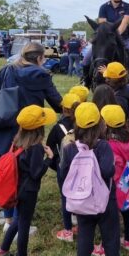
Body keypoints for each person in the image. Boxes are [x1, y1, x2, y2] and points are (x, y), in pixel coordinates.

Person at [0, 41, 62, 229]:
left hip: (2, 129)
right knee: (21, 179)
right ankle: (12, 222)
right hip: (28, 133)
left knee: (4, 172)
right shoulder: (42, 76)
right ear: (40, 58)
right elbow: (57, 104)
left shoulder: (6, 70)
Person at [0, 105, 55, 256]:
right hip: (28, 191)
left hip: (16, 188)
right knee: (24, 224)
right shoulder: (36, 148)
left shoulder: (17, 141)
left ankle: (2, 252)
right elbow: (36, 173)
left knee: (18, 220)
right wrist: (49, 158)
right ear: (39, 128)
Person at [60, 102, 120, 256]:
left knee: (84, 238)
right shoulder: (103, 147)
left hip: (82, 202)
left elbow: (64, 175)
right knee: (111, 239)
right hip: (106, 202)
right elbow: (108, 171)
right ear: (100, 123)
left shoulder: (69, 149)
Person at [102, 104, 129, 251]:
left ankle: (111, 241)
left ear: (106, 123)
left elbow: (111, 166)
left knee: (112, 214)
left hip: (115, 184)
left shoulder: (109, 144)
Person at [46, 93, 81, 242]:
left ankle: (67, 230)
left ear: (63, 108)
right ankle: (80, 224)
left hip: (64, 167)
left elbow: (49, 147)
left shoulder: (57, 128)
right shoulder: (82, 124)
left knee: (65, 197)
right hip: (82, 165)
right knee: (80, 194)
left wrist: (56, 165)